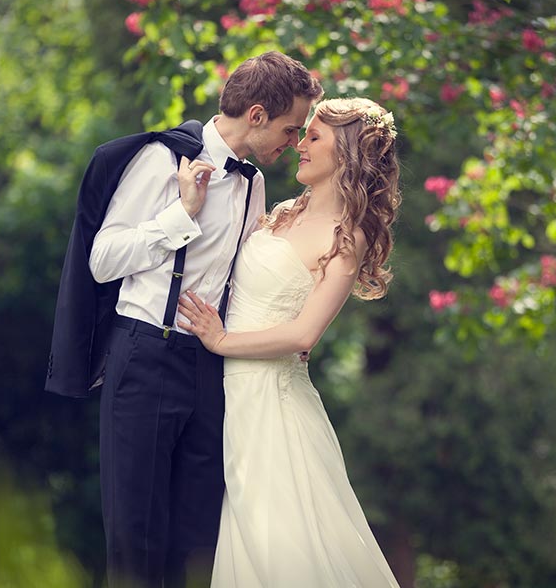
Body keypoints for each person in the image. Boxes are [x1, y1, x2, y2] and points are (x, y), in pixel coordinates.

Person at [86, 52, 323, 588]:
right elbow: (102, 259)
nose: (294, 141)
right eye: (290, 128)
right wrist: (180, 215)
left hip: (211, 367)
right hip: (145, 355)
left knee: (199, 540)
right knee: (136, 534)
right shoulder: (160, 158)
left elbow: (239, 281)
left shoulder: (254, 183)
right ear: (257, 115)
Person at [177, 97, 402, 587]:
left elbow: (304, 333)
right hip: (231, 397)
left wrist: (220, 340)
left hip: (273, 406)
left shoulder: (348, 235)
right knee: (245, 543)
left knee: (278, 547)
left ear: (345, 153)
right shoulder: (279, 212)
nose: (298, 145)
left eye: (313, 137)